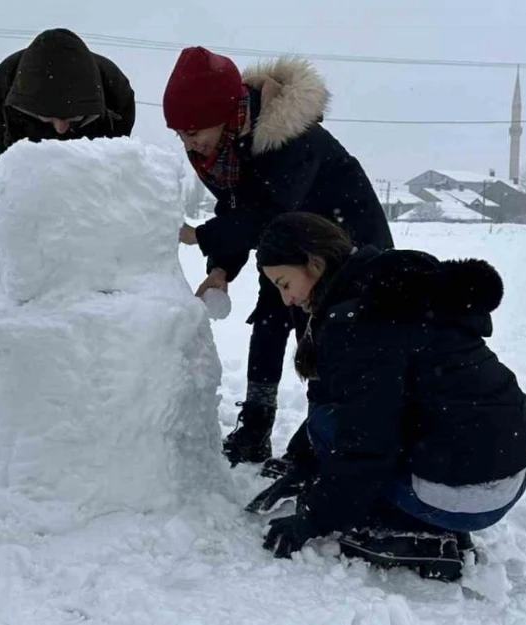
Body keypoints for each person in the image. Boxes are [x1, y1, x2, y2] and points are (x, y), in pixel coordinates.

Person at [249, 212, 526, 581]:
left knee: (329, 426)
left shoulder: (360, 322)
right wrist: (307, 465)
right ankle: (418, 508)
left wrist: (314, 517)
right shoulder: (392, 286)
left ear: (315, 263)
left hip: (468, 496)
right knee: (334, 427)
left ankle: (411, 534)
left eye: (285, 283)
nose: (286, 298)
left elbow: (367, 442)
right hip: (508, 475)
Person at [162, 46, 394, 469]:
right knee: (269, 321)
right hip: (290, 244)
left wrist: (199, 235)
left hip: (349, 247)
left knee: (325, 339)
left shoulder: (288, 136)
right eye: (179, 132)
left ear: (224, 112)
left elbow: (268, 210)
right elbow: (238, 207)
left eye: (194, 129)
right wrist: (221, 270)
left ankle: (319, 446)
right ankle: (255, 426)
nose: (188, 141)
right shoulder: (222, 148)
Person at [0, 27, 136, 194]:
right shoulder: (0, 91)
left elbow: (115, 170)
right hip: (28, 188)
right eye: (49, 118)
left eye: (73, 118)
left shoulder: (115, 93)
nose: (61, 129)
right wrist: (14, 212)